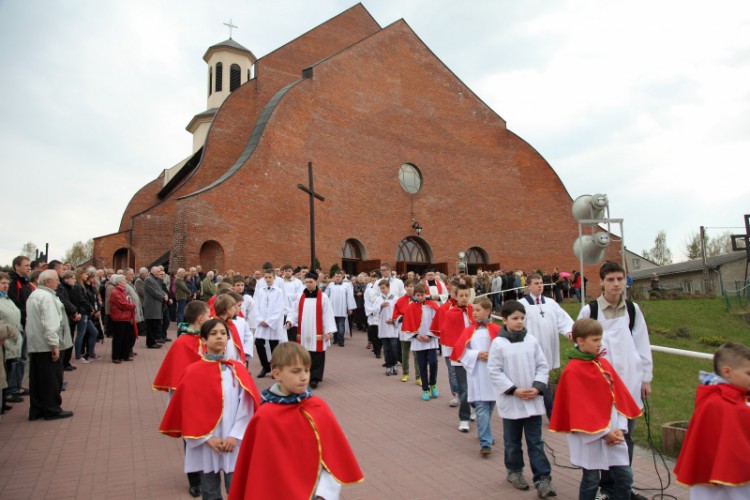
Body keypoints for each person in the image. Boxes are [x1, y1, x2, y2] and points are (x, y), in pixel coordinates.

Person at [228, 342, 364, 500]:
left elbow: (332, 458)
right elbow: (259, 469)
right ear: (277, 373)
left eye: (306, 370)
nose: (304, 376)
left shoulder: (318, 408)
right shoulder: (265, 416)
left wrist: (325, 494)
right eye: (296, 371)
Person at [159, 319, 260, 500]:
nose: (219, 337)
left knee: (238, 490)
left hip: (233, 441)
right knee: (210, 492)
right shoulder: (192, 372)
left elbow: (246, 405)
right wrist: (207, 438)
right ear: (204, 340)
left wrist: (235, 435)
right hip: (206, 442)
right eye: (213, 334)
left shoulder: (237, 370)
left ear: (228, 339)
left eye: (223, 333)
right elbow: (188, 409)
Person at [577, 261, 653, 500]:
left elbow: (642, 344)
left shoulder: (632, 309)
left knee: (626, 436)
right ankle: (604, 486)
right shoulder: (590, 311)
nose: (616, 284)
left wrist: (645, 378)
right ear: (601, 282)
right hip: (601, 386)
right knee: (603, 433)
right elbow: (579, 348)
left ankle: (622, 485)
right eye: (610, 279)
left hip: (629, 383)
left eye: (620, 279)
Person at [550, 318, 641, 500]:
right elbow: (578, 410)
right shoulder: (573, 371)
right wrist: (603, 433)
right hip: (590, 438)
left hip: (614, 433)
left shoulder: (603, 365)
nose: (600, 344)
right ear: (580, 341)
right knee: (591, 480)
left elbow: (619, 400)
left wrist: (620, 429)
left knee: (625, 476)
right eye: (595, 340)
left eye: (600, 339)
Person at [487, 300, 555, 497]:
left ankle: (543, 478)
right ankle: (514, 471)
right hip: (512, 401)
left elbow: (542, 366)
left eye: (522, 318)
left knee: (535, 441)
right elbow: (494, 370)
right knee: (512, 441)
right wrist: (513, 390)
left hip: (532, 400)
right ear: (505, 320)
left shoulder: (531, 341)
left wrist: (537, 387)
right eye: (515, 318)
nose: (519, 322)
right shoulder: (498, 343)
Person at [673, 342, 750, 499]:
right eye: (749, 373)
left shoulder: (732, 397)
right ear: (727, 371)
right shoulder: (719, 403)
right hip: (725, 480)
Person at [451, 297, 501, 456]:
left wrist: (492, 355)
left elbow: (504, 350)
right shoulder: (469, 331)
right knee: (481, 408)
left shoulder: (497, 329)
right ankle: (486, 441)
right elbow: (461, 351)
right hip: (477, 374)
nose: (475, 313)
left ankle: (483, 431)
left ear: (488, 311)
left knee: (489, 407)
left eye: (478, 310)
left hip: (492, 375)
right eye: (474, 310)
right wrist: (477, 354)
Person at [522, 273, 574, 418]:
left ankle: (545, 409)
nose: (540, 286)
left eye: (541, 283)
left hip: (548, 346)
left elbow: (562, 319)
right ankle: (551, 411)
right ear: (529, 286)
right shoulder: (522, 304)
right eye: (536, 283)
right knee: (540, 378)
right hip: (532, 348)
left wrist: (568, 331)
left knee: (542, 377)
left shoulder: (551, 303)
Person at [25, 269, 74, 420]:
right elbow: (51, 323)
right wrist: (54, 345)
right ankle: (52, 409)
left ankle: (37, 408)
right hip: (47, 344)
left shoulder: (34, 295)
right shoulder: (47, 297)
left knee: (38, 378)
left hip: (36, 343)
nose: (59, 283)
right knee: (51, 378)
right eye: (56, 280)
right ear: (47, 282)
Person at [285, 272, 336, 388]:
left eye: (310, 282)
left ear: (316, 282)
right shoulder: (300, 297)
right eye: (306, 282)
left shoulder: (323, 297)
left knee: (317, 354)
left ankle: (315, 378)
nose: (308, 284)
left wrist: (328, 331)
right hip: (303, 331)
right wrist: (290, 321)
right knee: (304, 354)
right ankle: (305, 375)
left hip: (318, 331)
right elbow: (294, 312)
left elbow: (328, 314)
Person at [153, 300, 210, 393]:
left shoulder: (204, 337)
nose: (210, 318)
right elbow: (176, 370)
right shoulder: (182, 342)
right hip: (183, 390)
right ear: (201, 319)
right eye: (209, 316)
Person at [402, 283, 440, 401]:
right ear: (414, 295)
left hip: (430, 339)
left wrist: (430, 335)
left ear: (425, 294)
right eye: (417, 295)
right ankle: (425, 389)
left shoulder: (432, 306)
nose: (419, 297)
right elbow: (407, 323)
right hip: (418, 341)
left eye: (422, 295)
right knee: (422, 365)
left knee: (433, 363)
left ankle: (433, 384)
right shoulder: (411, 307)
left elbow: (437, 321)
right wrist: (415, 335)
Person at [253, 270, 286, 378]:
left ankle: (275, 369)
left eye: (270, 277)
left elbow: (279, 308)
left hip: (273, 324)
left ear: (274, 278)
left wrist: (269, 321)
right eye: (266, 277)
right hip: (261, 322)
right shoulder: (260, 291)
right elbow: (256, 306)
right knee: (258, 343)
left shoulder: (279, 291)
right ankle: (265, 366)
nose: (268, 279)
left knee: (274, 347)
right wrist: (260, 319)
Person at [1, 272, 22, 414]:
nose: (5, 286)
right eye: (2, 283)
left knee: (9, 368)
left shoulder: (8, 299)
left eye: (7, 283)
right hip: (4, 339)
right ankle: (5, 395)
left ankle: (4, 399)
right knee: (3, 371)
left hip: (12, 337)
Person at [392, 279, 420, 385]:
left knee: (417, 354)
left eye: (411, 286)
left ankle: (418, 376)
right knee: (405, 353)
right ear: (404, 288)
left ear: (414, 287)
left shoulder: (419, 300)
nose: (409, 288)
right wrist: (401, 318)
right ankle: (405, 373)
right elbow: (395, 314)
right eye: (407, 286)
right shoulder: (400, 300)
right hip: (404, 329)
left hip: (415, 329)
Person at [109, 274, 137, 364]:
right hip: (119, 318)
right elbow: (122, 304)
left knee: (126, 337)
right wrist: (132, 306)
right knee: (118, 338)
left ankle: (124, 355)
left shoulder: (123, 291)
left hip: (126, 317)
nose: (125, 282)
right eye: (124, 280)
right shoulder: (115, 292)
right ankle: (116, 356)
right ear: (119, 282)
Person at [374, 279, 399, 375]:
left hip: (393, 326)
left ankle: (394, 365)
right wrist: (380, 306)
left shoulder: (395, 298)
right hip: (384, 326)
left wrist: (394, 320)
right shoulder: (379, 299)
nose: (382, 290)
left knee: (394, 347)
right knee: (386, 348)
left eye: (384, 288)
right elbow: (374, 311)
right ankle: (388, 366)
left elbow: (399, 312)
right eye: (381, 288)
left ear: (388, 287)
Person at [325, 271, 356, 347]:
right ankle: (335, 339)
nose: (337, 278)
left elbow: (349, 297)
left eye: (339, 276)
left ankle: (341, 340)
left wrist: (350, 308)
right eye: (336, 276)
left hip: (342, 309)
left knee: (341, 325)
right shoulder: (330, 285)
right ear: (334, 277)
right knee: (334, 325)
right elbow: (325, 295)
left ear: (342, 277)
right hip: (332, 309)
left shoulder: (346, 285)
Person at [144, 266, 167, 349]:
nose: (159, 273)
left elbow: (159, 289)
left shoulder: (155, 279)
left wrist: (164, 294)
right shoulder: (149, 279)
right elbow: (154, 291)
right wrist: (163, 296)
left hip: (156, 305)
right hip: (151, 306)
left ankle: (154, 341)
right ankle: (150, 343)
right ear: (153, 272)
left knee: (155, 325)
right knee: (151, 325)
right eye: (157, 272)